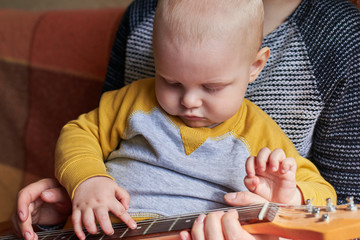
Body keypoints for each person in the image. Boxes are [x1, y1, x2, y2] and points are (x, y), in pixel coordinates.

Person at [12, 0, 359, 239]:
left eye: (212, 86)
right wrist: (85, 182)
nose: (189, 101)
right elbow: (79, 133)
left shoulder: (260, 132)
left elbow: (328, 197)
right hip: (108, 227)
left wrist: (290, 196)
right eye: (171, 81)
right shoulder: (134, 99)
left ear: (255, 67)